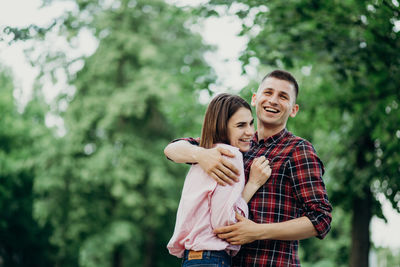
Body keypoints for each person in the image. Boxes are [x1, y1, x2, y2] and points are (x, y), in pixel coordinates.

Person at [164, 70, 332, 266]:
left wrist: (258, 231)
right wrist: (201, 155)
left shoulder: (298, 150)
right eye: (268, 92)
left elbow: (320, 218)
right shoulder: (233, 144)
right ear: (255, 99)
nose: (273, 100)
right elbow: (172, 149)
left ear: (293, 110)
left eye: (283, 96)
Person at [166, 93, 272, 267]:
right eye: (240, 125)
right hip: (212, 258)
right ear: (222, 127)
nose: (250, 132)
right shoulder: (230, 155)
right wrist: (253, 184)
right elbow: (225, 225)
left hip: (193, 258)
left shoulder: (203, 154)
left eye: (251, 123)